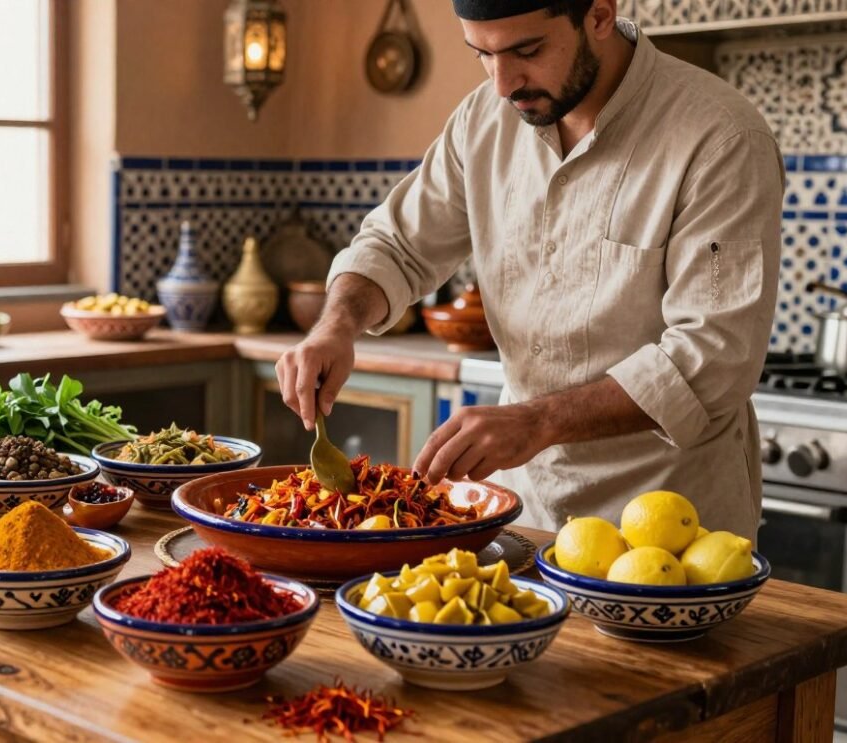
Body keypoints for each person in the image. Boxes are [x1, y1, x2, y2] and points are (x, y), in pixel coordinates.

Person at [275, 0, 782, 537]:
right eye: (482, 54)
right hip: (523, 514)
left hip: (669, 523)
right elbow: (397, 243)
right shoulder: (483, 120)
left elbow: (713, 359)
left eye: (528, 50)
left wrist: (538, 421)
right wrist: (336, 327)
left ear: (600, 15)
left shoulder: (721, 136)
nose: (503, 84)